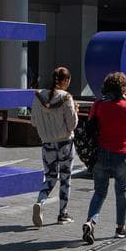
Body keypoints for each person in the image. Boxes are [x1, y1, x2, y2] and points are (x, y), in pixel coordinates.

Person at [82, 72, 126, 244]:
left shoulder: (99, 104)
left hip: (101, 153)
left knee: (100, 192)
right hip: (122, 154)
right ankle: (120, 228)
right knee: (121, 190)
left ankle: (91, 222)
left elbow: (90, 123)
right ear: (123, 88)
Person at [31, 67, 78, 227]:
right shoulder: (66, 97)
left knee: (50, 177)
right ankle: (62, 214)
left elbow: (34, 121)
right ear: (65, 81)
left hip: (47, 143)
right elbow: (72, 124)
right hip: (65, 143)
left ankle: (40, 201)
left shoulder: (38, 96)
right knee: (65, 178)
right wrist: (76, 112)